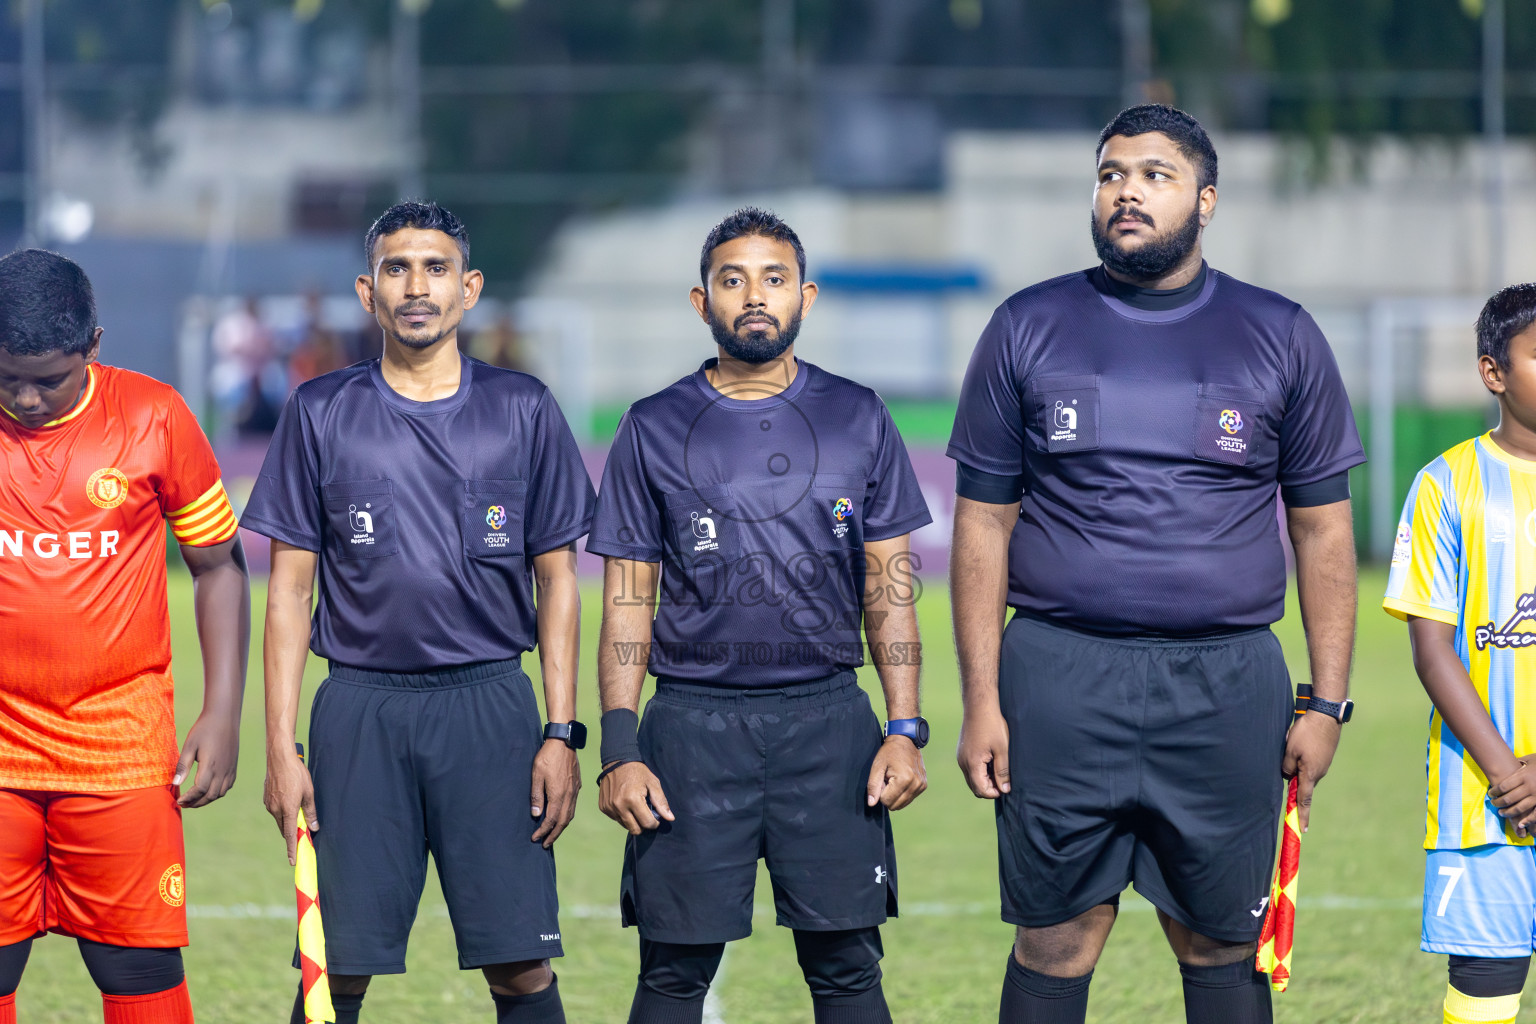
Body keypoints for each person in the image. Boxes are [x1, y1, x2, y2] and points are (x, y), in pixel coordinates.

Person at [947, 105, 1366, 1024]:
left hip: (1225, 682)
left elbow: (1324, 532)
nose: (1125, 190)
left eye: (1153, 174)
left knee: (1219, 939)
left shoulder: (1281, 332)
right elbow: (982, 524)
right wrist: (981, 698)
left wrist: (1328, 700)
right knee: (1056, 936)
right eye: (1109, 174)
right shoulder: (1026, 324)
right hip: (1060, 675)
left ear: (1205, 201)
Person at [243, 202, 594, 1024]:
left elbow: (561, 582)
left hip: (491, 710)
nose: (417, 286)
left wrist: (560, 731)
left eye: (435, 268)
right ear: (368, 292)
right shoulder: (320, 411)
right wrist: (279, 746)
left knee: (521, 968)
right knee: (336, 972)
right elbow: (290, 591)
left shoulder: (524, 408)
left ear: (468, 288)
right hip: (360, 710)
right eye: (397, 269)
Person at [587, 207, 933, 1024]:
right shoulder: (653, 424)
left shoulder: (859, 415)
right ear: (700, 300)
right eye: (732, 279)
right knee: (672, 973)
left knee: (848, 967)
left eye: (773, 279)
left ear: (805, 297)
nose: (753, 296)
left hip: (829, 727)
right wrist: (619, 744)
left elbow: (889, 588)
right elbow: (628, 599)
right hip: (693, 730)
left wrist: (904, 726)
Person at [0, 248, 250, 1023]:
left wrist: (222, 713)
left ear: (95, 347)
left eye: (50, 377)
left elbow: (220, 569)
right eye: (7, 377)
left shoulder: (154, 415)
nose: (27, 396)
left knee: (136, 967)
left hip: (121, 750)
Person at [1384, 284, 1536, 1024]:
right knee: (1485, 996)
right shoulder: (1446, 484)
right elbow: (1432, 650)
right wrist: (1509, 773)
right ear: (1493, 372)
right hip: (1483, 801)